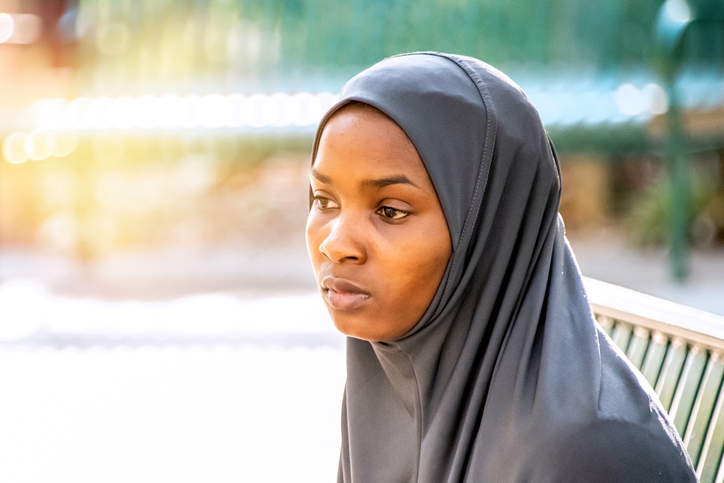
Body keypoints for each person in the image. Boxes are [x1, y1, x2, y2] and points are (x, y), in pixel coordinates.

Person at [305, 52, 697, 482]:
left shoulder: (585, 455)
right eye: (324, 201)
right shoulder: (389, 371)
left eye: (391, 211)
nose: (335, 243)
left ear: (488, 228)